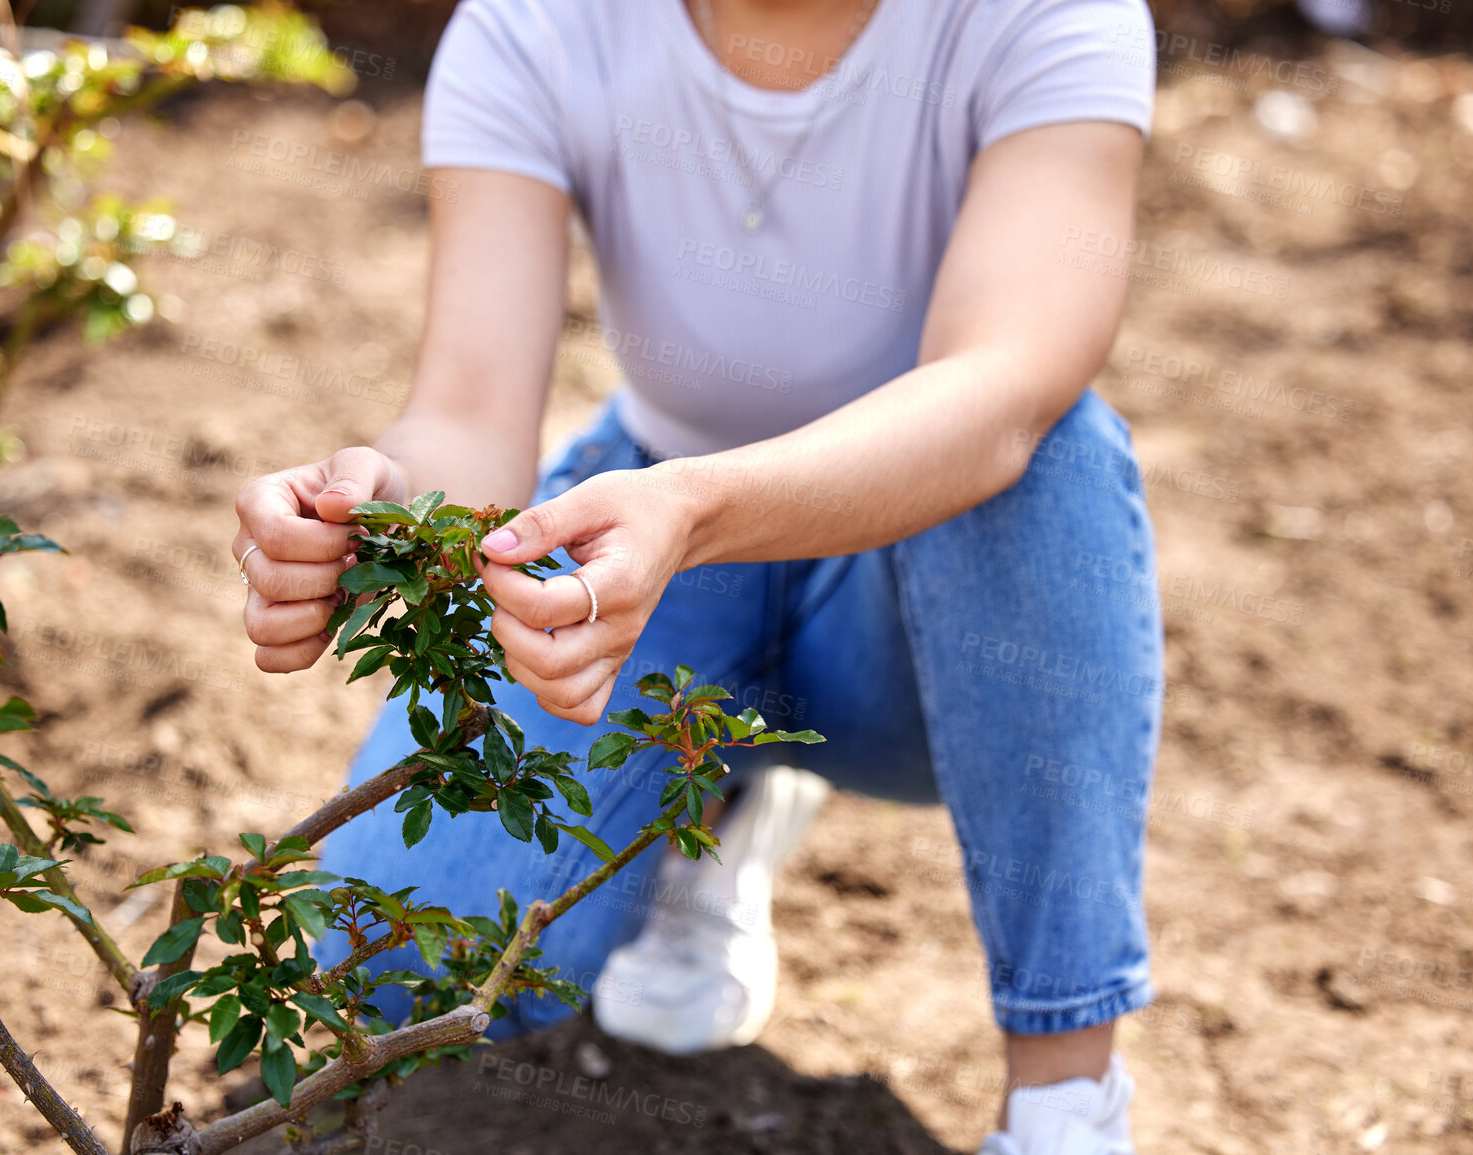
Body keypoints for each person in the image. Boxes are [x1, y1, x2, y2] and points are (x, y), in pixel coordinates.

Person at [232, 2, 1161, 1151]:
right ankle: (700, 802)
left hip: (924, 590)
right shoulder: (538, 24)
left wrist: (701, 510)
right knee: (404, 968)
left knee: (1052, 444)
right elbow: (471, 414)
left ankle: (1065, 1103)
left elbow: (1007, 390)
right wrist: (377, 514)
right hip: (656, 529)